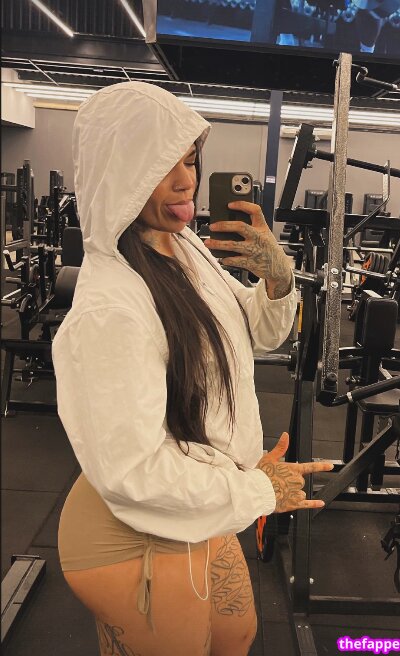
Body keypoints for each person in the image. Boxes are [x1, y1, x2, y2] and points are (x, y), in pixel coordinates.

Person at [53, 81, 333, 656]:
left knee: (236, 637)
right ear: (120, 171)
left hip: (196, 499)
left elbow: (256, 332)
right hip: (132, 528)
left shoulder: (183, 247)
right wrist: (257, 488)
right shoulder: (110, 311)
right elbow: (133, 472)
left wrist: (277, 279)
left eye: (190, 160)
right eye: (163, 165)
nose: (186, 181)